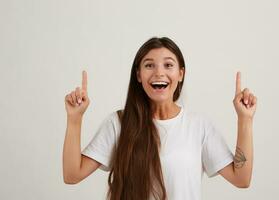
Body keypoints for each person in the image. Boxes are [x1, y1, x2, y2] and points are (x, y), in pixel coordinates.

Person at [63, 37, 257, 200]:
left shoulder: (199, 126)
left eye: (168, 65)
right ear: (138, 75)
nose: (159, 72)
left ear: (180, 74)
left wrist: (244, 119)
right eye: (149, 65)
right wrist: (74, 119)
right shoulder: (119, 124)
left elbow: (241, 179)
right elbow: (72, 175)